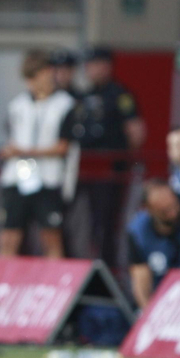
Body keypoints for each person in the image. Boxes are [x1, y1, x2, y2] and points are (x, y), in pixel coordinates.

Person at [66, 48, 145, 265]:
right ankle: (76, 266)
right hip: (82, 168)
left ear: (107, 66)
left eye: (96, 64)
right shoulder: (83, 96)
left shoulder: (119, 95)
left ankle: (107, 269)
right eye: (88, 65)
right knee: (73, 220)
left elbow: (136, 131)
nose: (91, 69)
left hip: (109, 169)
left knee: (106, 223)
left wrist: (125, 159)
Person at [0, 49, 73, 258]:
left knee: (50, 237)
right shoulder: (17, 105)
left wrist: (26, 151)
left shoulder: (65, 104)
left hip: (48, 178)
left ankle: (54, 285)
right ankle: (3, 284)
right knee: (9, 236)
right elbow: (13, 135)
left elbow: (63, 146)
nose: (31, 83)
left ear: (48, 72)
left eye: (35, 76)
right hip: (16, 177)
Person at [126, 179, 180, 309]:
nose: (173, 213)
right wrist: (149, 315)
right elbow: (141, 284)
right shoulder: (138, 234)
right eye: (165, 211)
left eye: (174, 206)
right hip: (165, 299)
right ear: (149, 210)